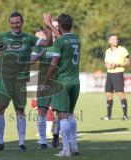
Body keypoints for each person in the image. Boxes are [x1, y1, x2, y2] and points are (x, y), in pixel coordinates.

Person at [0, 12, 53, 152]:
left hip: (20, 81)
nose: (15, 25)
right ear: (9, 23)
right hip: (4, 81)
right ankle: (0, 142)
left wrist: (48, 27)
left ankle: (21, 143)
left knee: (20, 111)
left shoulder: (28, 38)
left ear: (22, 22)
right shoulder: (3, 37)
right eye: (12, 23)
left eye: (17, 22)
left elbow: (48, 43)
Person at [42, 13, 81, 157]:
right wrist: (51, 25)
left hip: (62, 83)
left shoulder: (59, 42)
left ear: (61, 26)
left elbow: (53, 65)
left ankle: (66, 149)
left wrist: (46, 80)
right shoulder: (76, 39)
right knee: (70, 115)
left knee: (62, 116)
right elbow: (62, 38)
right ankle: (74, 145)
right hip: (75, 83)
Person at [30, 20, 60, 149]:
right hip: (43, 83)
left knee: (60, 112)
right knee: (42, 111)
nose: (54, 28)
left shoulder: (62, 43)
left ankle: (56, 135)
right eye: (52, 26)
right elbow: (31, 61)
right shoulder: (41, 43)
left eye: (57, 26)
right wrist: (42, 49)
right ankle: (43, 141)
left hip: (58, 82)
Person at [103, 34, 130, 120]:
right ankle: (108, 115)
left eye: (116, 39)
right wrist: (107, 65)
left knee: (120, 94)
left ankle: (125, 115)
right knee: (108, 94)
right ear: (109, 41)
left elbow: (128, 62)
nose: (116, 41)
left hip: (118, 73)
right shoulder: (107, 51)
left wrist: (117, 64)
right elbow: (106, 62)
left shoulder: (122, 50)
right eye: (113, 39)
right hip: (109, 74)